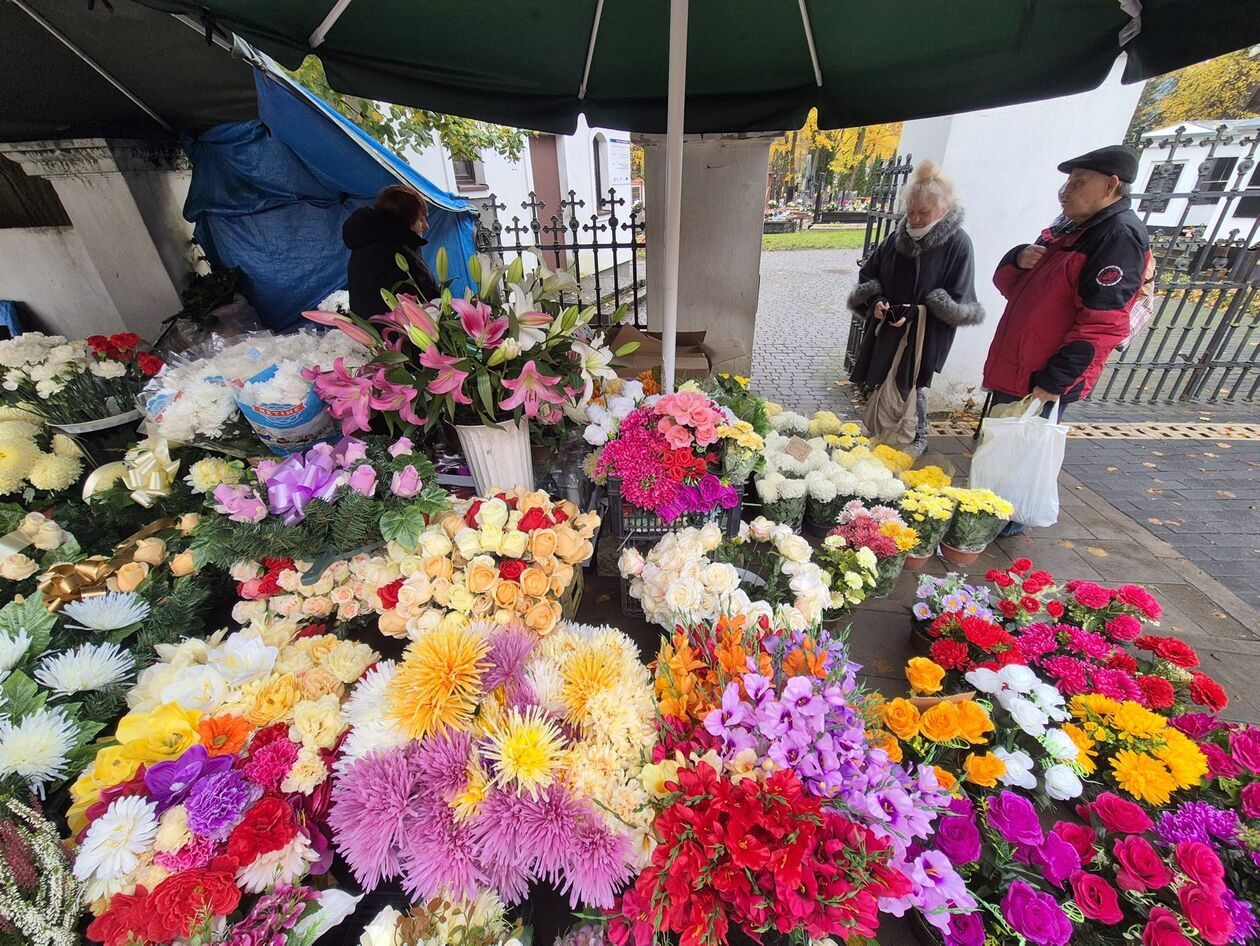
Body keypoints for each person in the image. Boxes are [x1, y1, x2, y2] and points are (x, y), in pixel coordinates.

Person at [983, 144, 1152, 536]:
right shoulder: (1069, 229)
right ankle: (989, 512)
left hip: (1042, 375)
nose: (1066, 191)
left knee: (1021, 455)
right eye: (1067, 182)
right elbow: (1016, 290)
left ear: (1111, 185)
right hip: (1018, 365)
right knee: (1004, 450)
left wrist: (1054, 381)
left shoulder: (1117, 236)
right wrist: (1016, 257)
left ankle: (1000, 526)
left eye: (1078, 182)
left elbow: (1103, 324)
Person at [848, 160, 985, 456]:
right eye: (911, 212)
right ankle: (884, 432)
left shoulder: (958, 243)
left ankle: (914, 436)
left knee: (912, 385)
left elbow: (960, 298)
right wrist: (876, 301)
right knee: (880, 378)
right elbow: (869, 275)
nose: (916, 219)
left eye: (924, 213)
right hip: (888, 328)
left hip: (926, 333)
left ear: (944, 210)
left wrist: (918, 310)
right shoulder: (896, 238)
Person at [344, 184, 440, 317]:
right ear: (405, 220)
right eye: (420, 219)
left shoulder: (364, 248)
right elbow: (428, 300)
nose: (426, 226)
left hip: (372, 332)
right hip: (403, 333)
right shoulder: (396, 253)